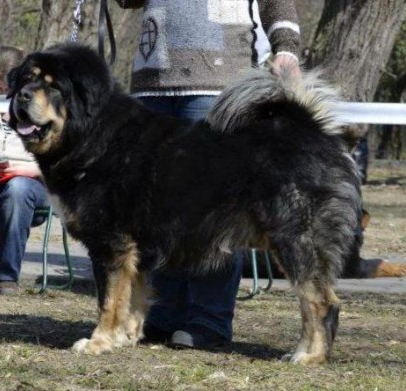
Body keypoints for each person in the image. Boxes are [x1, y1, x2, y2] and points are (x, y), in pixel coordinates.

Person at [126, 0, 302, 349]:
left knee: (214, 210)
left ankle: (208, 320)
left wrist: (286, 48)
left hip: (218, 84)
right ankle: (164, 313)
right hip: (152, 84)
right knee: (158, 208)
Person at [0, 46, 49, 295]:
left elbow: (51, 157)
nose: (1, 93)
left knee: (17, 188)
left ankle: (7, 277)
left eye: (6, 89)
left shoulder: (39, 108)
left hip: (27, 185)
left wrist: (19, 167)